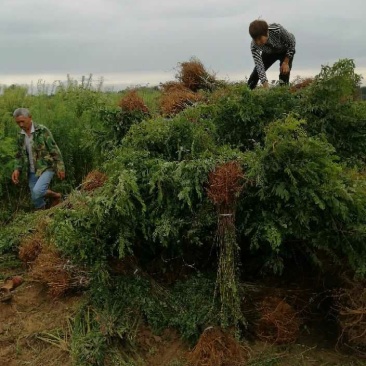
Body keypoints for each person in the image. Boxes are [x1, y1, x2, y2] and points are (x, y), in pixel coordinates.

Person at [11, 108, 65, 209]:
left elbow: (54, 149)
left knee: (37, 191)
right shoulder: (20, 136)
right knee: (36, 199)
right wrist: (16, 169)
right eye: (18, 122)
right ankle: (43, 216)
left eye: (23, 121)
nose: (21, 125)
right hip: (31, 170)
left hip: (47, 167)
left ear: (30, 118)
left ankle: (56, 196)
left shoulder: (42, 130)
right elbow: (18, 154)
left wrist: (60, 167)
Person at [247, 20, 296, 90]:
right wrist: (265, 84)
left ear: (266, 33)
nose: (258, 42)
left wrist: (286, 62)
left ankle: (283, 93)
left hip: (285, 51)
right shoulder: (254, 45)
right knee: (255, 74)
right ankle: (247, 93)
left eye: (260, 39)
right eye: (255, 40)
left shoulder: (277, 29)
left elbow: (292, 43)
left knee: (284, 73)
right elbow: (259, 66)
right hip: (269, 53)